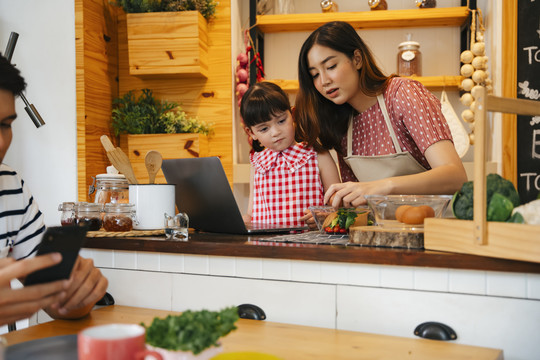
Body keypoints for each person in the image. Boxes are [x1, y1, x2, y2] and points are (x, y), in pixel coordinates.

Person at [295, 21, 467, 208]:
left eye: (331, 66)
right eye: (314, 75)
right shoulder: (341, 124)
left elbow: (455, 176)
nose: (324, 81)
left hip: (436, 229)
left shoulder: (402, 94)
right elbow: (359, 207)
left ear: (357, 59)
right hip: (384, 233)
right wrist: (331, 214)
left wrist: (385, 187)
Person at [0, 54, 108, 327]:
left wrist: (79, 294)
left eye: (5, 125)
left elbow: (55, 299)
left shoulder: (10, 185)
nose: (1, 143)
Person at [240, 81, 341, 227]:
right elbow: (252, 212)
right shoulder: (257, 163)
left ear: (292, 115)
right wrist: (244, 220)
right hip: (267, 247)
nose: (276, 132)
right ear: (251, 133)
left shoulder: (317, 155)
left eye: (281, 121)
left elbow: (338, 204)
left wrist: (325, 215)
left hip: (310, 245)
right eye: (263, 129)